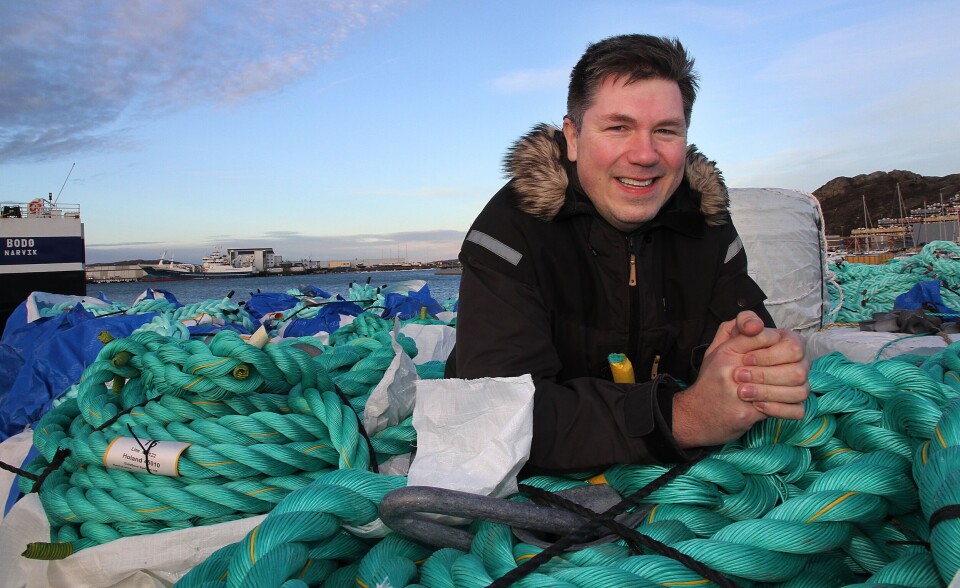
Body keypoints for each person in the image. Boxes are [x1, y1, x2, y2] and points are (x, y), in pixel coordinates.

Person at [444, 34, 810, 474]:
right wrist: (683, 417)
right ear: (574, 137)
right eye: (618, 127)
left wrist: (766, 368)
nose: (644, 155)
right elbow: (495, 417)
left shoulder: (706, 223)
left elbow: (746, 356)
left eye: (666, 131)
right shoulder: (510, 232)